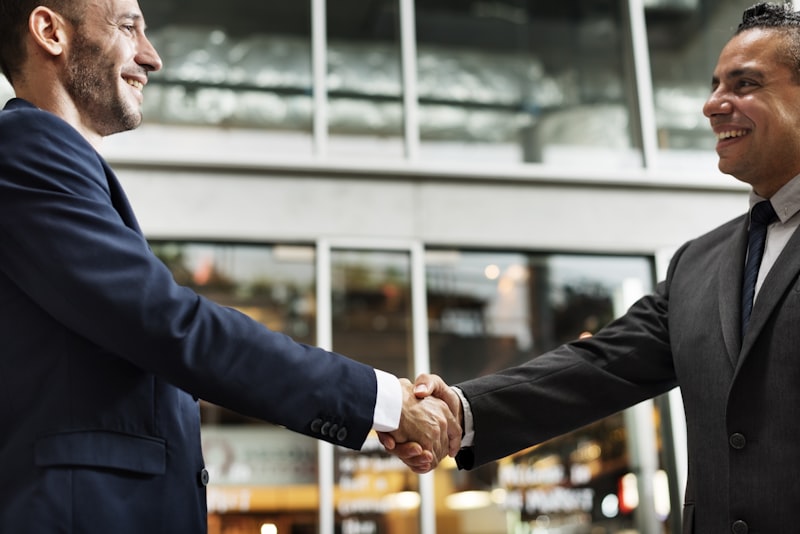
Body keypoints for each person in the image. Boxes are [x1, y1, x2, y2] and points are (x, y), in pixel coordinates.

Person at [0, 1, 459, 532]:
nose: (151, 57)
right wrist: (382, 401)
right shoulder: (26, 149)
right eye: (129, 28)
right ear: (50, 32)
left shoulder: (52, 164)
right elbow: (170, 326)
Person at [382, 2, 800, 533]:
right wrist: (462, 413)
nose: (714, 104)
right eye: (715, 84)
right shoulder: (699, 263)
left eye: (745, 84)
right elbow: (601, 366)